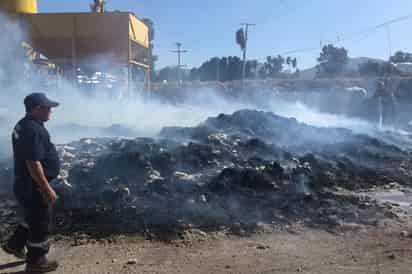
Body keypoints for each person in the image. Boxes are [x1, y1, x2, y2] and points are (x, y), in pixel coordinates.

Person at [2, 93, 60, 273]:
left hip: (24, 183)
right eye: (47, 108)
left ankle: (15, 244)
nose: (51, 111)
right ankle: (37, 262)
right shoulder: (33, 129)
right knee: (40, 221)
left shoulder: (24, 124)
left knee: (31, 217)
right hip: (33, 185)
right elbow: (33, 163)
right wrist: (46, 188)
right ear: (36, 109)